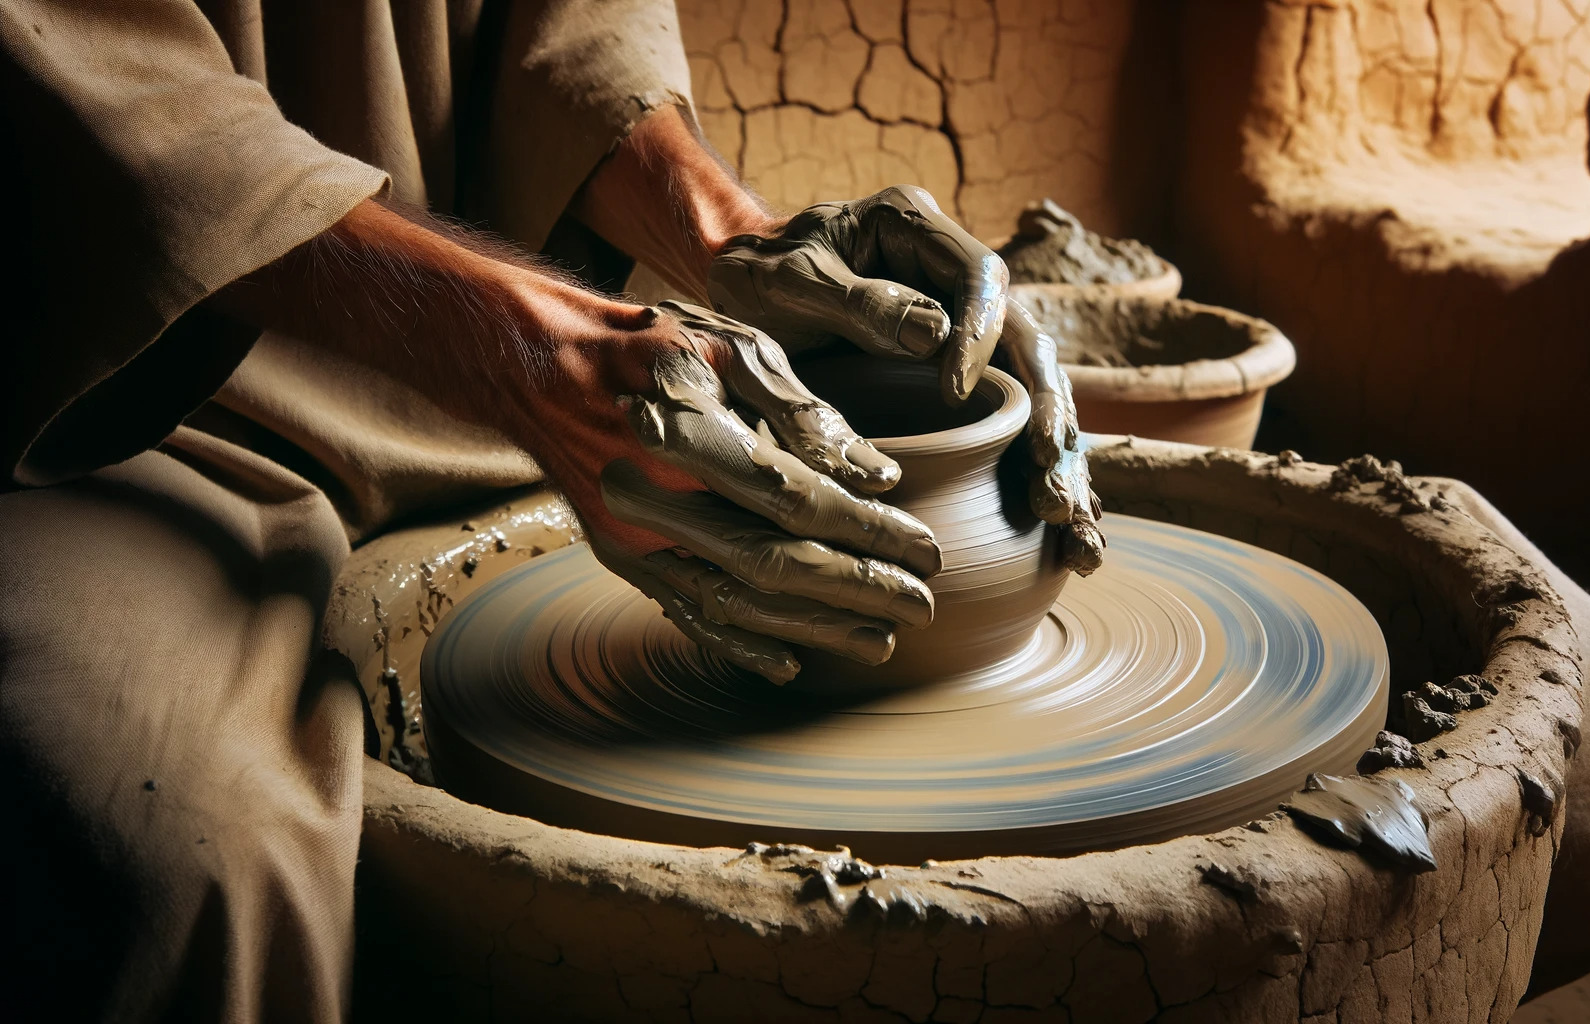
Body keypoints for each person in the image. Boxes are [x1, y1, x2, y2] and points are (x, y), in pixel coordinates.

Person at [1, 1, 1099, 1018]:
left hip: (540, 366)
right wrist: (526, 346)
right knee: (192, 852)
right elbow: (100, 94)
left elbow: (568, 28)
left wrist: (727, 238)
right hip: (151, 403)